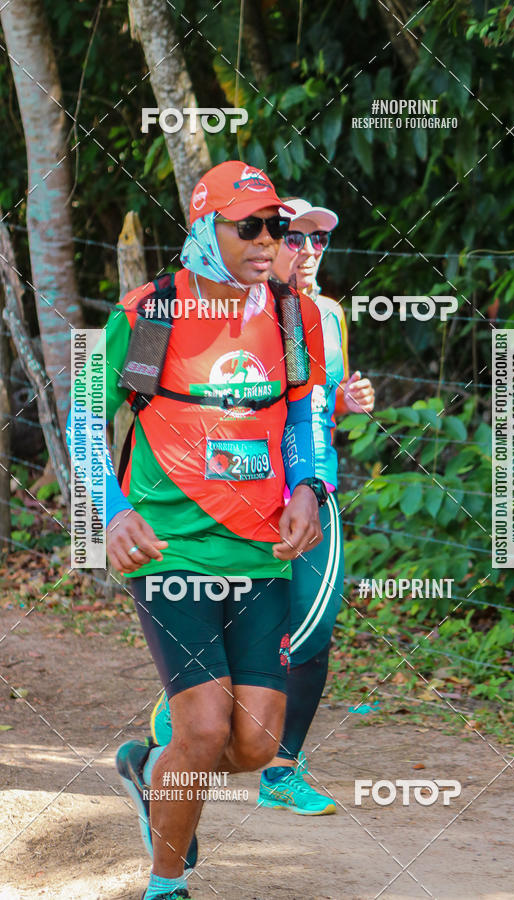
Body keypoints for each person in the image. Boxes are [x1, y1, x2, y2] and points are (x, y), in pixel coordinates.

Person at [66, 161, 327, 900]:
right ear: (205, 230)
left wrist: (306, 484)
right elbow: (84, 413)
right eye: (249, 226)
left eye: (277, 226)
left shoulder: (291, 313)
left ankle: (149, 770)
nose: (268, 240)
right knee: (206, 727)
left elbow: (304, 411)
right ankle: (166, 885)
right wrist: (113, 510)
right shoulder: (147, 314)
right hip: (170, 548)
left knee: (256, 743)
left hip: (264, 551)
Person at [150, 197, 375, 817]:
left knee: (315, 624)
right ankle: (191, 720)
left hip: (306, 496)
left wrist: (346, 406)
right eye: (289, 237)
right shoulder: (181, 310)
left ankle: (276, 766)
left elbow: (311, 409)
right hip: (227, 502)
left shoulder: (322, 314)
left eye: (314, 241)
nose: (303, 252)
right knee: (244, 632)